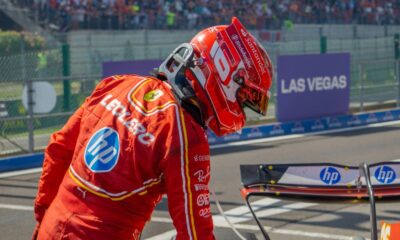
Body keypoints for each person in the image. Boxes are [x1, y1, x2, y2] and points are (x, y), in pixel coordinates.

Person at [33, 17, 273, 240]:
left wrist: (44, 218)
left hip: (51, 226)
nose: (242, 107)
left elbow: (57, 150)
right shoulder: (185, 136)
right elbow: (194, 231)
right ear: (222, 75)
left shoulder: (116, 84)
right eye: (244, 98)